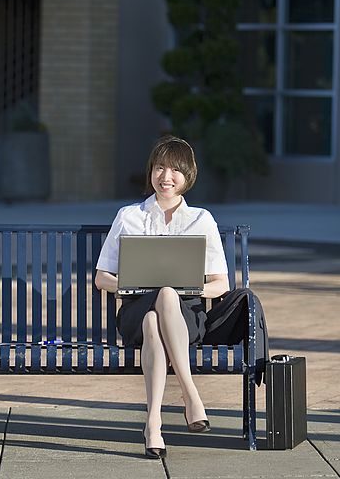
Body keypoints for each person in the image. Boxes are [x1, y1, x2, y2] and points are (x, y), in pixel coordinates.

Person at [94, 135, 230, 459]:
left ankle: (153, 423)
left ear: (188, 176)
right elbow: (102, 278)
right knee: (154, 309)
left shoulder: (202, 220)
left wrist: (187, 290)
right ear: (151, 172)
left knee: (166, 302)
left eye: (174, 170)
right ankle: (190, 394)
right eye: (159, 168)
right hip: (135, 313)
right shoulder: (129, 216)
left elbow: (220, 284)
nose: (165, 177)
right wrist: (133, 286)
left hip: (186, 318)